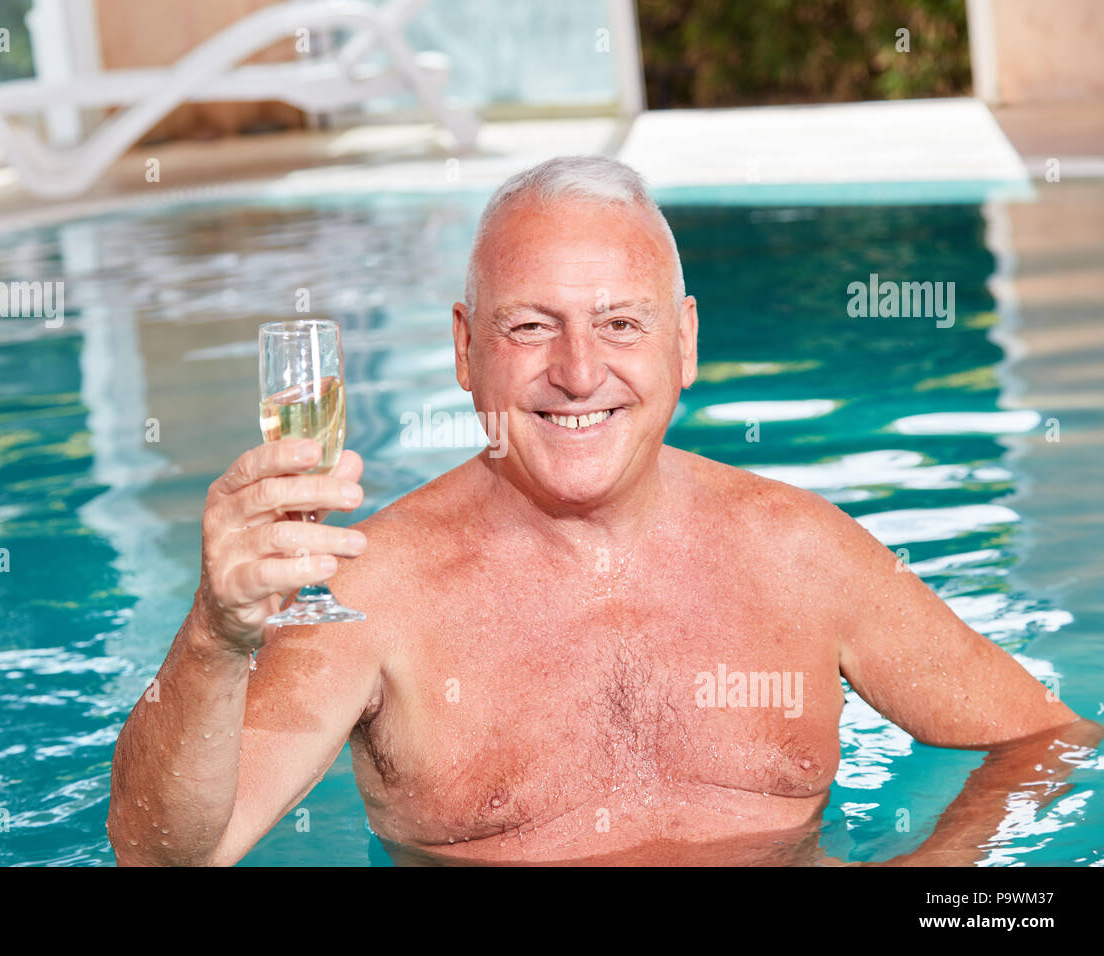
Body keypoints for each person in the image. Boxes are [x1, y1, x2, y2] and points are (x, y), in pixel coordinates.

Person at [107, 155, 1100, 866]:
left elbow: (1047, 736)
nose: (578, 373)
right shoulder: (374, 588)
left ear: (684, 343)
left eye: (619, 324)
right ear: (464, 349)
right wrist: (214, 633)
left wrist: (936, 872)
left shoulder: (799, 550)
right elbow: (166, 854)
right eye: (530, 326)